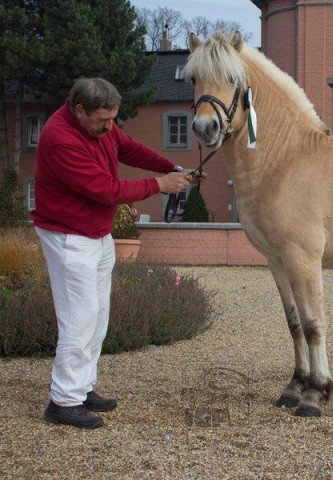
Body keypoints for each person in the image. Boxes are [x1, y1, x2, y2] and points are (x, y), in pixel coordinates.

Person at [31, 78, 201, 429]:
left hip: (97, 233)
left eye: (113, 119)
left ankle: (81, 387)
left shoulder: (100, 127)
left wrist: (172, 168)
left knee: (97, 315)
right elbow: (105, 189)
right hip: (68, 236)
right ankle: (63, 402)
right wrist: (159, 185)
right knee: (79, 319)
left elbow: (131, 148)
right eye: (103, 120)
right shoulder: (60, 137)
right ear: (80, 110)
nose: (110, 127)